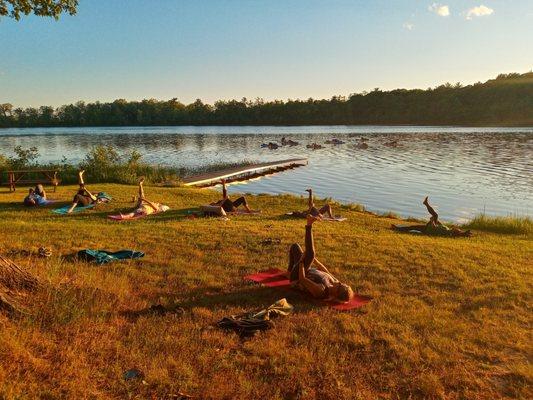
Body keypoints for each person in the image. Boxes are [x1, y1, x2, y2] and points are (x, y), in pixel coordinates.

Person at [287, 215, 354, 303]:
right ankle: (289, 271)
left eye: (340, 285)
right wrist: (315, 260)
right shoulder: (334, 282)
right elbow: (325, 271)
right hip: (306, 268)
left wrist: (302, 261)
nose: (340, 282)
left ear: (336, 292)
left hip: (296, 277)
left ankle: (309, 224)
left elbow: (302, 279)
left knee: (310, 254)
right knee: (295, 246)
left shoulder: (321, 291)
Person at [394, 197, 472, 237]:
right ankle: (426, 204)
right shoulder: (447, 230)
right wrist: (464, 233)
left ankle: (397, 228)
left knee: (413, 227)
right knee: (414, 227)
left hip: (429, 229)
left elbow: (435, 228)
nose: (456, 227)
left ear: (454, 231)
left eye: (457, 229)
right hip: (430, 228)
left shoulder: (446, 232)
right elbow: (439, 225)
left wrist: (432, 221)